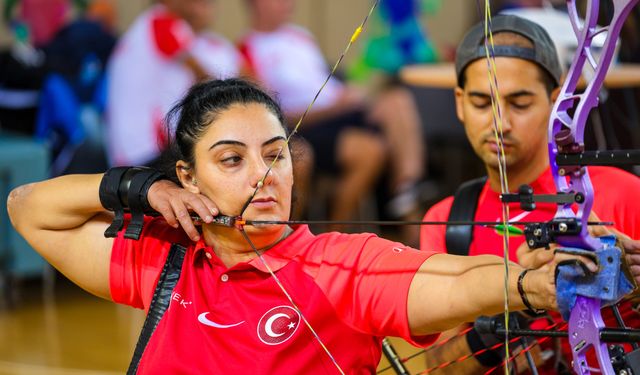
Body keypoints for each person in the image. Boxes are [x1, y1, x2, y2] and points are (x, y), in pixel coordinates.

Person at [7, 78, 601, 374]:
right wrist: (139, 187)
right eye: (232, 160)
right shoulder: (166, 262)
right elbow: (27, 208)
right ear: (188, 178)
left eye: (275, 154)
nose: (263, 176)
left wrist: (532, 283)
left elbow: (450, 280)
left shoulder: (336, 266)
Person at [420, 15, 640, 373]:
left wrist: (623, 273)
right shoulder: (448, 221)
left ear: (557, 102)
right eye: (480, 103)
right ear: (459, 103)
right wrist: (524, 292)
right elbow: (439, 366)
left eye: (519, 103)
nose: (499, 123)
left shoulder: (619, 191)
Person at [239, 0, 426, 231]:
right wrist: (337, 105)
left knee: (398, 101)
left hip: (341, 111)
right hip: (308, 124)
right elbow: (272, 115)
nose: (288, 3)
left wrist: (348, 95)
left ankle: (406, 189)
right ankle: (335, 231)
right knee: (371, 151)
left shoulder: (301, 36)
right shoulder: (247, 50)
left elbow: (322, 83)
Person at [106, 0, 241, 167]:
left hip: (132, 152)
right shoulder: (162, 21)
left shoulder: (147, 24)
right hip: (148, 150)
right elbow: (208, 83)